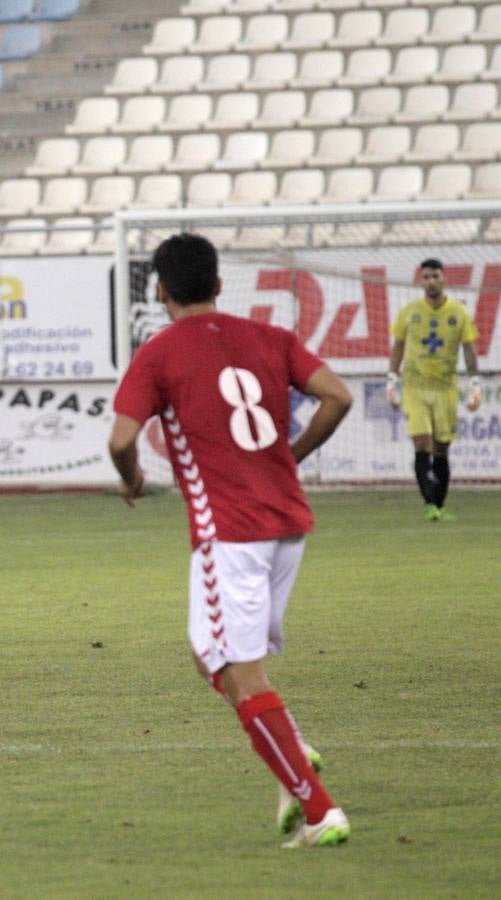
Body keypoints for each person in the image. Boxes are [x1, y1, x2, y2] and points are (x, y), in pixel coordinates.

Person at [107, 234, 354, 849]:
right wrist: (289, 457)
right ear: (219, 285)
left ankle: (319, 810)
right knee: (210, 654)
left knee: (239, 673)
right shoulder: (269, 339)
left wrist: (132, 477)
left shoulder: (159, 354)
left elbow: (119, 439)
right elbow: (338, 396)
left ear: (160, 292)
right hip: (287, 525)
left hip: (231, 534)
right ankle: (294, 748)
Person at [386, 258, 482, 522]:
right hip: (416, 386)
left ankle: (439, 504)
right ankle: (429, 503)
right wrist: (391, 380)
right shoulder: (409, 311)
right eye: (425, 277)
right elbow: (398, 346)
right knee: (421, 443)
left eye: (434, 276)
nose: (430, 281)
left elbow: (469, 349)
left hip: (445, 388)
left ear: (444, 279)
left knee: (442, 448)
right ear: (421, 281)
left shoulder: (458, 313)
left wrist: (475, 384)